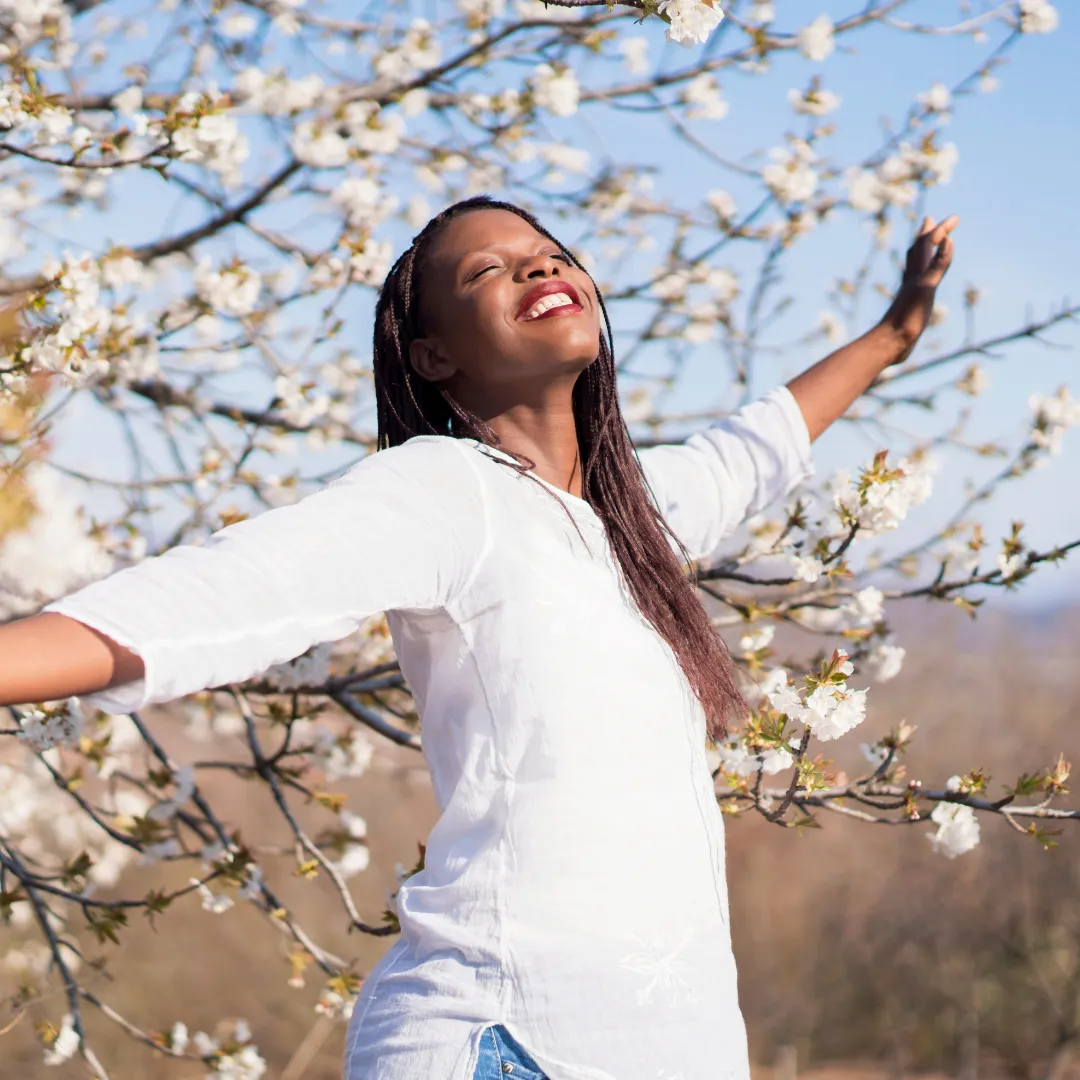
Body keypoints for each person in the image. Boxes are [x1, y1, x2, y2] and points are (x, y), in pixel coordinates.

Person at [0, 197, 957, 1080]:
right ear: (434, 357)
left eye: (549, 255)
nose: (539, 271)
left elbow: (760, 444)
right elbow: (220, 596)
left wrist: (894, 333)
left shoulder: (641, 514)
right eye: (487, 273)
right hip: (505, 1042)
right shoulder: (446, 493)